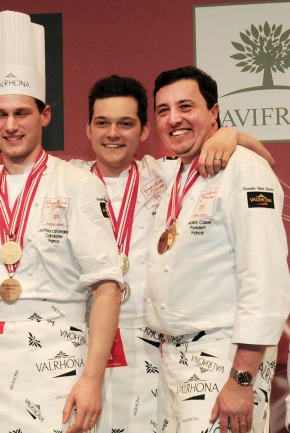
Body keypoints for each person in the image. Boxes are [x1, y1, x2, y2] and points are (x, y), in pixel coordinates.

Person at [68, 74, 275, 433]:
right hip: (98, 343)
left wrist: (231, 134)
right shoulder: (68, 178)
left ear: (144, 131)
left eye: (126, 123)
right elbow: (1, 174)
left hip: (168, 347)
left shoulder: (162, 171)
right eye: (102, 123)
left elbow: (263, 161)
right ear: (87, 129)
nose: (113, 133)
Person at [0, 11, 123, 433]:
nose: (11, 126)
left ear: (44, 116)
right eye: (1, 114)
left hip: (60, 366)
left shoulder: (80, 185)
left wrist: (93, 380)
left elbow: (106, 286)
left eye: (22, 113)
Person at [145, 65, 290, 433]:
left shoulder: (245, 170)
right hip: (175, 361)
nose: (174, 119)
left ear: (213, 112)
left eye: (185, 107)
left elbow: (265, 278)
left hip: (225, 358)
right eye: (163, 110)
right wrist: (233, 134)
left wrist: (241, 380)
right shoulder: (173, 172)